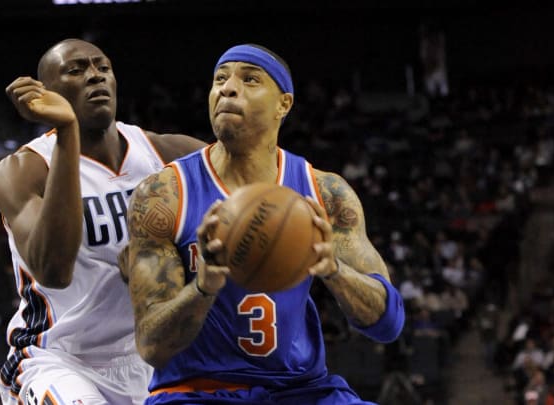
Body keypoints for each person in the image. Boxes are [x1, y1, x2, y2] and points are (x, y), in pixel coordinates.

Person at [124, 44, 405, 404]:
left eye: (250, 79)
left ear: (283, 104)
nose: (227, 88)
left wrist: (333, 270)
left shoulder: (325, 193)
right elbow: (151, 346)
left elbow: (389, 325)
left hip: (301, 390)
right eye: (220, 79)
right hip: (197, 392)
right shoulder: (164, 195)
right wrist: (204, 287)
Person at [0, 38, 205, 404]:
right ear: (46, 92)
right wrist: (67, 133)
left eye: (102, 67)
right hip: (58, 358)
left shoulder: (169, 155)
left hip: (152, 357)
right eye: (76, 70)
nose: (95, 77)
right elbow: (53, 271)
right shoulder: (24, 170)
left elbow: (268, 192)